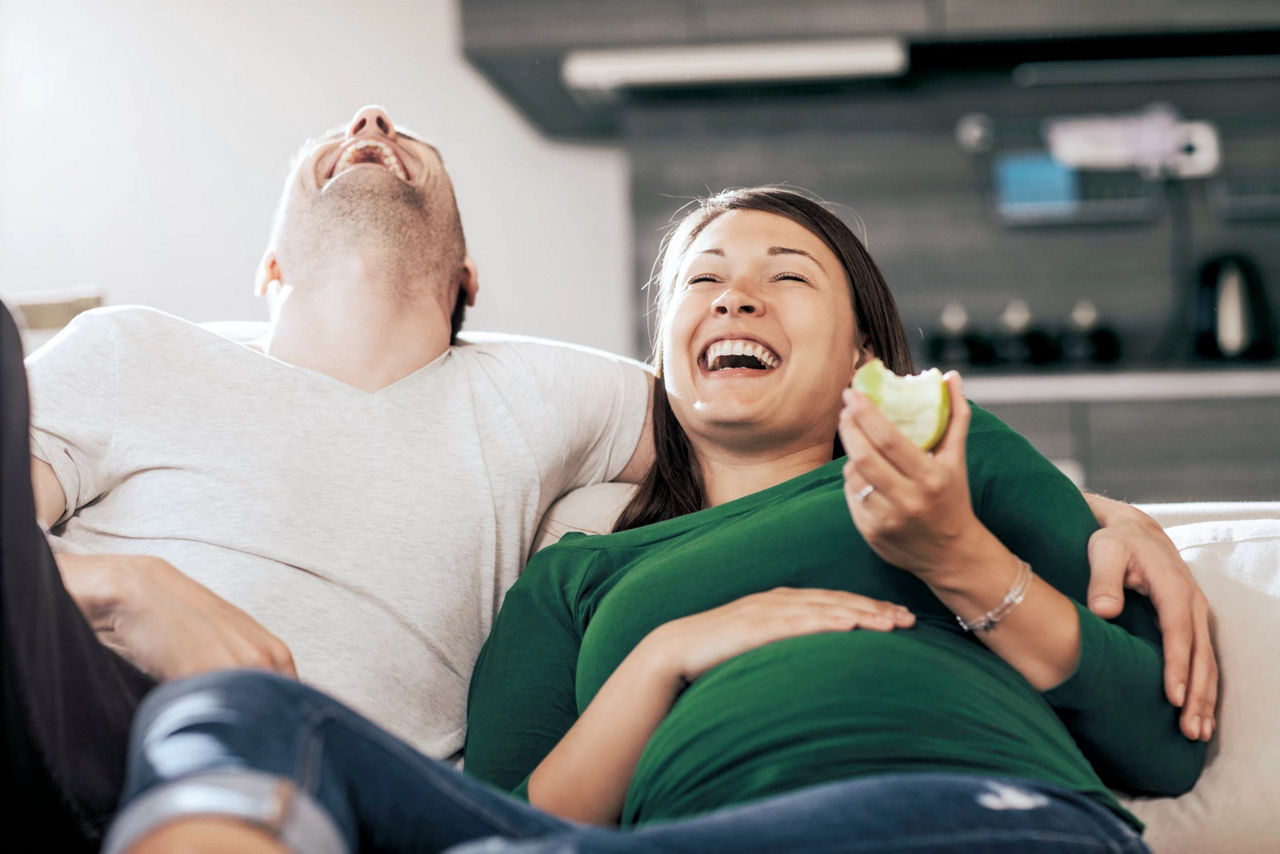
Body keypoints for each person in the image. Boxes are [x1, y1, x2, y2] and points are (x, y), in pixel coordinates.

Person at [101, 188, 1208, 854]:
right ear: (661, 361)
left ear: (862, 361)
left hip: (965, 815)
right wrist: (667, 654)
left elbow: (1163, 744)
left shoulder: (958, 464)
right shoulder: (575, 576)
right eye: (702, 281)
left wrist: (959, 559)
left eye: (787, 278)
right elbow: (505, 817)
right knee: (247, 710)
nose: (734, 297)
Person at [2, 105, 653, 850]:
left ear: (464, 277)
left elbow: (752, 408)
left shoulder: (546, 390)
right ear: (270, 265)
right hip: (92, 736)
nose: (370, 117)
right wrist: (121, 584)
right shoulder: (134, 349)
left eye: (414, 139)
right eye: (336, 137)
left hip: (361, 794)